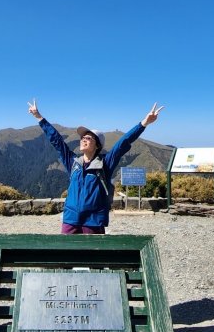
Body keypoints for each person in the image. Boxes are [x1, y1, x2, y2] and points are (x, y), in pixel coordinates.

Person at [27, 99, 164, 234]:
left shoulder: (105, 163)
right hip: (70, 219)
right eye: (82, 138)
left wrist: (144, 123)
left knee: (93, 255)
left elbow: (123, 143)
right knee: (66, 254)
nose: (83, 140)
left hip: (93, 220)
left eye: (88, 138)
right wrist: (39, 117)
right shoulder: (73, 162)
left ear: (97, 145)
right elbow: (56, 140)